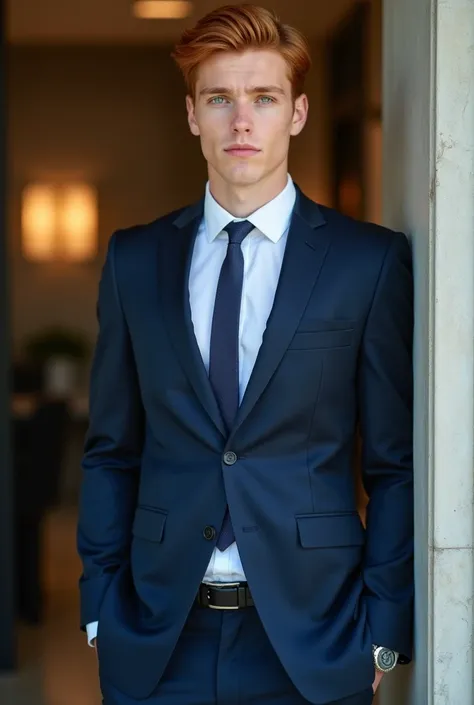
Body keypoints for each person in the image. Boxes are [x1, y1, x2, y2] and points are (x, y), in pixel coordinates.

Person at [77, 5, 414, 705]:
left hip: (314, 643)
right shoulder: (135, 261)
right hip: (156, 638)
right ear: (192, 115)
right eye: (219, 98)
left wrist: (383, 631)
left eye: (263, 98)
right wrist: (97, 610)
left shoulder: (367, 262)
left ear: (297, 112)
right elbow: (112, 448)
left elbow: (394, 463)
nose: (241, 122)